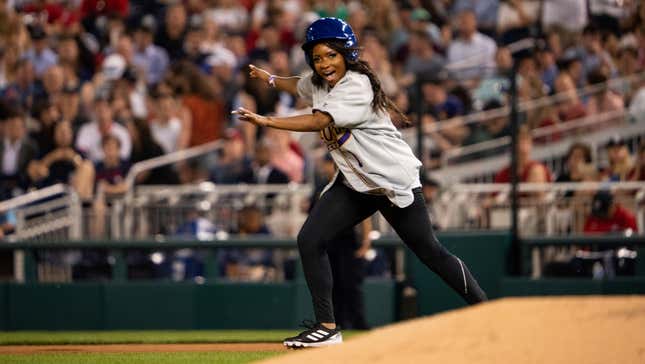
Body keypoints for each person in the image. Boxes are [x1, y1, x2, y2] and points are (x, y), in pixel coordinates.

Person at [233, 17, 487, 349]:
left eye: (331, 55)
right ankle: (326, 327)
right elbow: (297, 84)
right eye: (318, 57)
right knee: (310, 239)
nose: (324, 63)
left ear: (346, 53)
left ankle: (486, 310)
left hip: (392, 180)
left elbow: (320, 119)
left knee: (430, 252)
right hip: (357, 182)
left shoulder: (356, 85)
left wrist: (268, 121)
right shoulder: (320, 81)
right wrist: (269, 78)